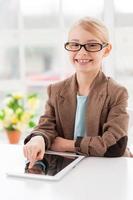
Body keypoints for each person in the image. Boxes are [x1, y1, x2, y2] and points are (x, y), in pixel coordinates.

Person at [23, 17, 130, 169]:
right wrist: (38, 139)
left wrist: (69, 145)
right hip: (67, 168)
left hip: (107, 169)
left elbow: (115, 145)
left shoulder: (117, 92)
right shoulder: (55, 90)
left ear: (106, 50)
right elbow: (46, 126)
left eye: (92, 45)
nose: (82, 52)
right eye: (75, 45)